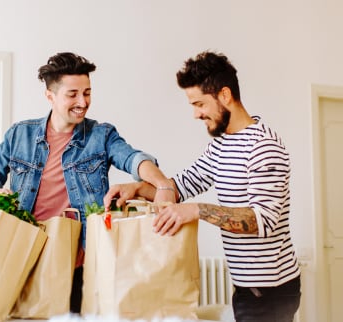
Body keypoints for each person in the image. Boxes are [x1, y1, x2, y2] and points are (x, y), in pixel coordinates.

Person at [104, 51, 301, 322]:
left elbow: (261, 221)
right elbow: (183, 185)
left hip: (271, 291)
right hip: (246, 287)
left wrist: (196, 210)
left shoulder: (263, 146)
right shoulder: (221, 144)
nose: (196, 114)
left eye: (199, 104)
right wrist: (137, 189)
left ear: (224, 95)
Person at [0, 52, 173, 313]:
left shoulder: (101, 135)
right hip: (24, 259)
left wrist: (163, 185)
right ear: (50, 96)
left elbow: (133, 158)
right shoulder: (19, 135)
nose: (83, 102)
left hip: (80, 263)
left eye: (87, 93)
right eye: (73, 94)